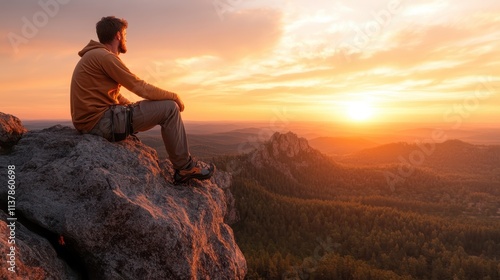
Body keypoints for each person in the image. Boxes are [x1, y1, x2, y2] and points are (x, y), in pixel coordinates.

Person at [70, 16, 214, 184]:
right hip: (100, 123)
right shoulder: (105, 57)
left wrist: (128, 105)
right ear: (118, 35)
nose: (126, 38)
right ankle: (184, 168)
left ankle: (184, 166)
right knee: (169, 108)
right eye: (125, 34)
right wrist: (173, 96)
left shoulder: (93, 56)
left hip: (91, 122)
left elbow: (108, 95)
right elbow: (140, 87)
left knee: (150, 107)